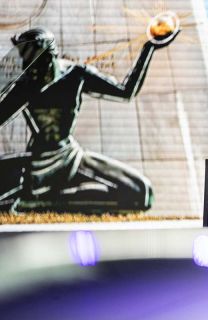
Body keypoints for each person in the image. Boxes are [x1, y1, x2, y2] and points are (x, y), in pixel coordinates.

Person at [0, 27, 179, 213]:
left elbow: (126, 92)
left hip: (71, 155)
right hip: (40, 165)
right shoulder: (25, 86)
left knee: (143, 193)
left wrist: (148, 48)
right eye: (24, 61)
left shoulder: (76, 74)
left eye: (31, 62)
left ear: (47, 58)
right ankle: (39, 200)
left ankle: (41, 203)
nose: (27, 68)